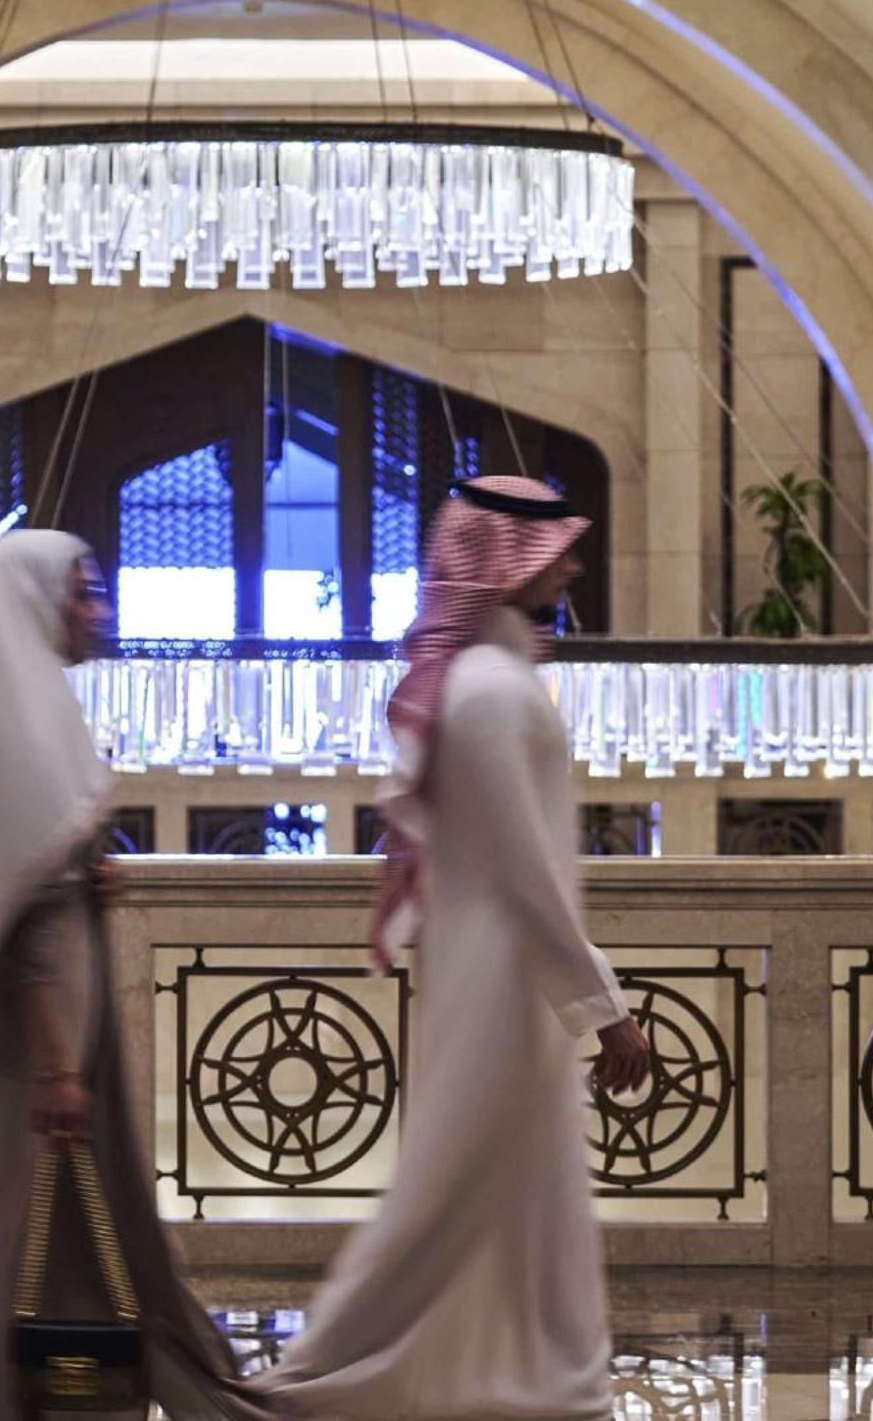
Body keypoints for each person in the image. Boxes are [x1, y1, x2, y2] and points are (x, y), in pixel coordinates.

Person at [254, 476, 654, 1421]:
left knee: (527, 1188)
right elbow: (523, 874)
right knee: (447, 1190)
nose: (575, 568)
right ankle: (320, 1377)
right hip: (496, 984)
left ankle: (545, 1376)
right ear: (506, 560)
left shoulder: (499, 683)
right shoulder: (483, 692)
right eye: (558, 551)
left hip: (510, 984)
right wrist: (603, 1008)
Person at [0, 529, 260, 1421]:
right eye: (82, 594)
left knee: (37, 1223)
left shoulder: (32, 710)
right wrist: (57, 1068)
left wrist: (91, 868)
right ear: (36, 605)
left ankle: (38, 1386)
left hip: (51, 1035)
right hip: (27, 1044)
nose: (98, 612)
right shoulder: (27, 728)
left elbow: (43, 868)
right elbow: (35, 915)